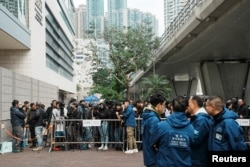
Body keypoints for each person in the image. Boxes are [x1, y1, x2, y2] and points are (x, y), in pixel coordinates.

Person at [150, 96, 195, 167]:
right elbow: (192, 145)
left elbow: (152, 142)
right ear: (186, 109)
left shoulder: (161, 126)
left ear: (171, 108)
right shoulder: (191, 129)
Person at [141, 93, 166, 167]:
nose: (164, 107)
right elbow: (155, 139)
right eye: (163, 105)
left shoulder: (147, 116)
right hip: (154, 156)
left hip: (148, 155)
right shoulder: (154, 119)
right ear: (158, 105)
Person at [187, 95, 211, 167]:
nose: (187, 105)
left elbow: (195, 139)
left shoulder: (201, 120)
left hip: (198, 159)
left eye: (189, 103)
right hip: (196, 157)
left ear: (194, 104)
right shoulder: (197, 118)